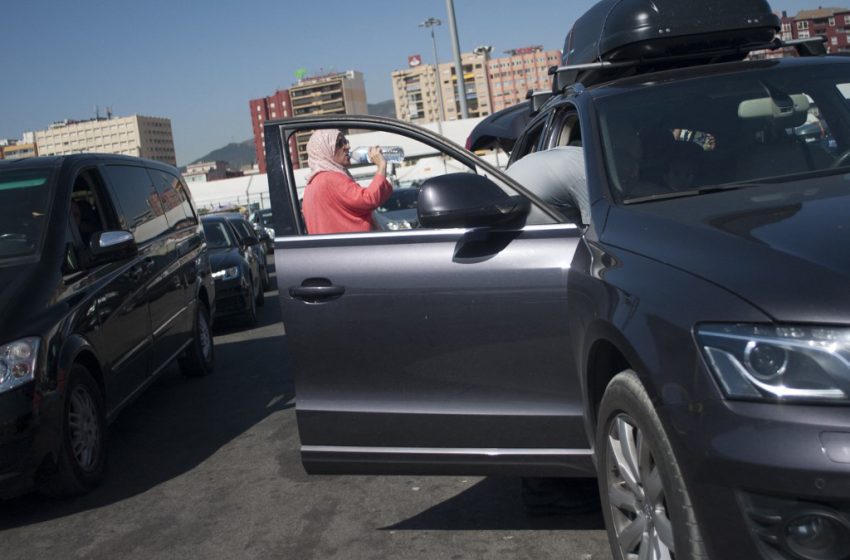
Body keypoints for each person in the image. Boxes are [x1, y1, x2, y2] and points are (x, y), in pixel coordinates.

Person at [301, 129, 393, 234]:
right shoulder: (330, 179)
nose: (347, 147)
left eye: (346, 142)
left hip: (331, 249)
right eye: (340, 143)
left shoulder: (311, 185)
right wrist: (381, 166)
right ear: (325, 150)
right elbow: (368, 199)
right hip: (352, 248)